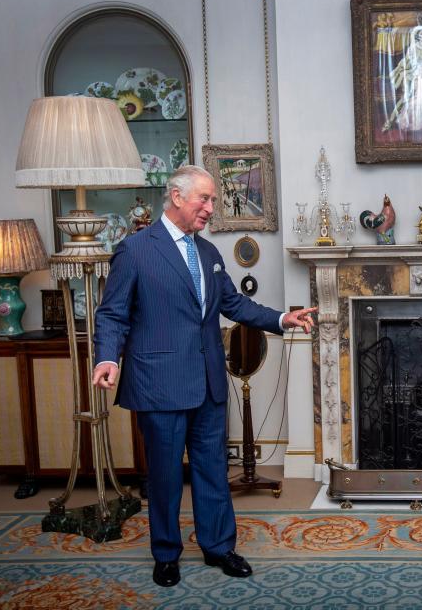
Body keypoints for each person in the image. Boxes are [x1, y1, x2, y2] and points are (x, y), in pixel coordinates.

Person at [92, 165, 317, 588]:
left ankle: (219, 547)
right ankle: (166, 554)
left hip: (210, 381)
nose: (212, 208)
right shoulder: (136, 250)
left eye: (212, 200)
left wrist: (284, 317)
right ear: (177, 197)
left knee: (213, 469)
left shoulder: (209, 254)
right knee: (164, 475)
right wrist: (107, 358)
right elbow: (112, 313)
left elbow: (234, 305)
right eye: (205, 199)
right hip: (159, 382)